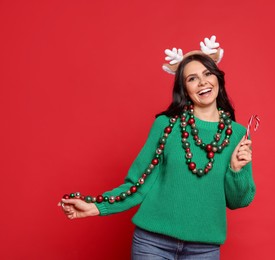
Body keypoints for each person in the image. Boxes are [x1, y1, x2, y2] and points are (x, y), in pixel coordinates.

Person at [58, 36, 256, 260]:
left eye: (207, 73)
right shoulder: (167, 125)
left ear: (217, 78)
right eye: (192, 78)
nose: (202, 82)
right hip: (152, 244)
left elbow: (239, 201)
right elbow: (138, 184)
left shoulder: (238, 134)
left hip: (204, 249)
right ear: (184, 88)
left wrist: (236, 170)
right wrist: (96, 206)